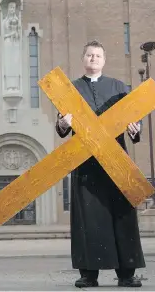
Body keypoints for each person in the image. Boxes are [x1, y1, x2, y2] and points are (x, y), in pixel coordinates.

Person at [56, 40, 145, 288]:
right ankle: (88, 275)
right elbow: (62, 125)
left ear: (104, 60)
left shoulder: (118, 87)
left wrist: (135, 129)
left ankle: (126, 275)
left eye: (98, 55)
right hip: (86, 165)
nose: (93, 58)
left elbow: (135, 119)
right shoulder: (71, 89)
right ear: (83, 59)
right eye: (89, 55)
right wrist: (63, 124)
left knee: (123, 216)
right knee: (88, 220)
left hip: (116, 162)